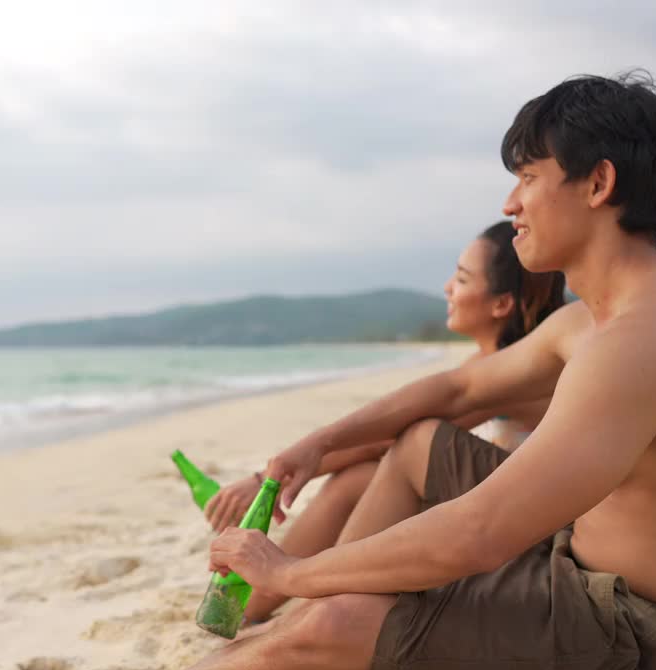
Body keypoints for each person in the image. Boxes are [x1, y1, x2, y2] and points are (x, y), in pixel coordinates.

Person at [16, 71, 656, 670]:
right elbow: (454, 388)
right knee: (419, 443)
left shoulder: (643, 340)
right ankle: (300, 624)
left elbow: (479, 533)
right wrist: (313, 447)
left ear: (599, 183)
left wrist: (289, 572)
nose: (511, 204)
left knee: (344, 613)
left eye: (529, 178)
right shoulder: (601, 317)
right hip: (584, 571)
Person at [202, 219, 566, 624]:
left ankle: (284, 611)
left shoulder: (512, 371)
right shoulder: (494, 363)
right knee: (360, 474)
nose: (447, 288)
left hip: (524, 539)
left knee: (364, 472)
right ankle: (265, 606)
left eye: (461, 279)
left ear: (501, 304)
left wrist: (266, 480)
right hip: (502, 521)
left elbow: (385, 438)